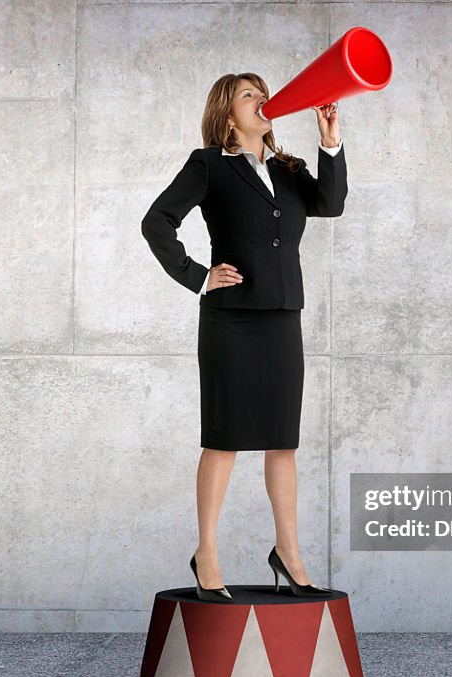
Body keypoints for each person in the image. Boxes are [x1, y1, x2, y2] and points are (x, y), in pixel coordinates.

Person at [141, 72, 347, 601]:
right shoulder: (208, 164)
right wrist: (197, 275)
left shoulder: (288, 167)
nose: (263, 100)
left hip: (282, 316)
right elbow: (157, 221)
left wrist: (329, 141)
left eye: (263, 92)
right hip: (230, 319)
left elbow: (330, 202)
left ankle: (289, 552)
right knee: (225, 438)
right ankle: (206, 552)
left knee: (283, 440)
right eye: (249, 95)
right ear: (228, 114)